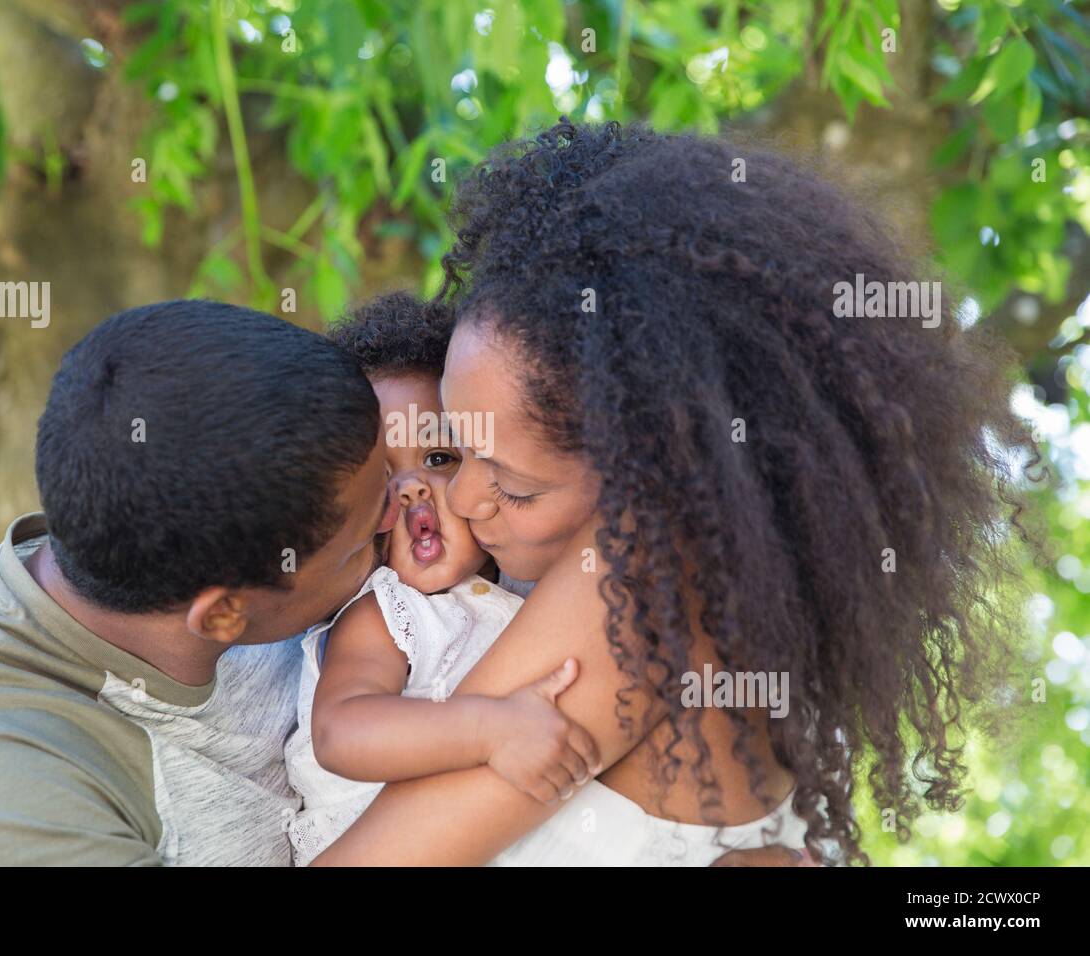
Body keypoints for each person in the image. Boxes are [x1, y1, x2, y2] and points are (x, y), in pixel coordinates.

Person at [311, 121, 1030, 866]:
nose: (461, 500)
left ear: (651, 469)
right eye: (458, 448)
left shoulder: (637, 578)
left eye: (515, 488)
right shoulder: (750, 620)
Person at [0, 300, 402, 865]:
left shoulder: (203, 516)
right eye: (363, 539)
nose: (406, 508)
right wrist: (490, 757)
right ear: (224, 615)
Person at [284, 293, 601, 866]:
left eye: (438, 457)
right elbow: (341, 731)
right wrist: (488, 730)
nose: (412, 489)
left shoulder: (522, 587)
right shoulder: (382, 614)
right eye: (381, 478)